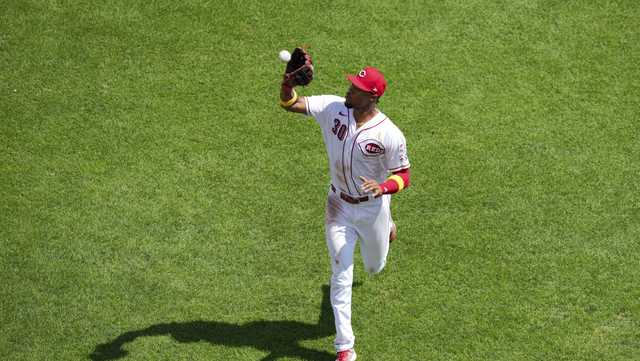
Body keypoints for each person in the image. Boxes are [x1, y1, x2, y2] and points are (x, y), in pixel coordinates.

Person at [279, 65, 411, 361]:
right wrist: (287, 83)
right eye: (352, 85)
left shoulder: (389, 134)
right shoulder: (333, 108)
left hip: (372, 207)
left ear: (372, 97)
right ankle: (344, 347)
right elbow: (290, 104)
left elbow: (404, 173)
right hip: (338, 206)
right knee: (341, 273)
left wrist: (385, 188)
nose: (349, 90)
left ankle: (387, 221)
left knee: (375, 266)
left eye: (356, 89)